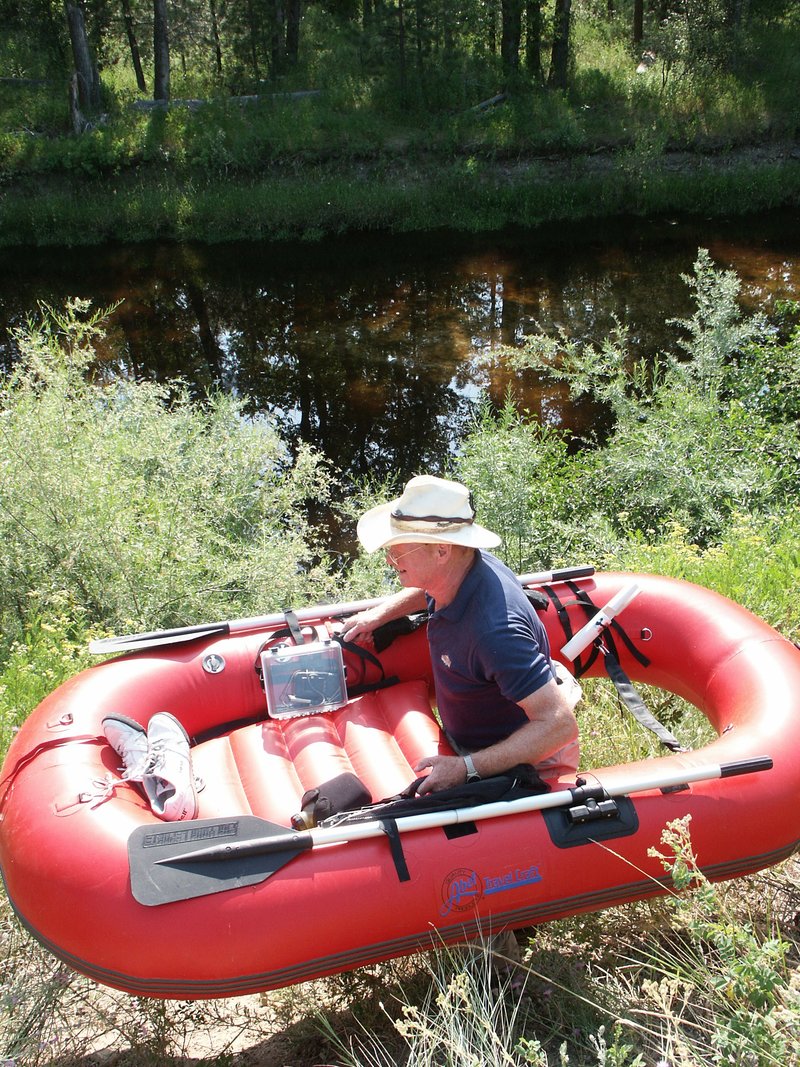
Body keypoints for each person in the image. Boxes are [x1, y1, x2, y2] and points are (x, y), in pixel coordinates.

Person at [343, 475, 581, 796]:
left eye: (398, 552)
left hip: (524, 761)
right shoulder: (457, 569)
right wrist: (379, 615)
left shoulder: (496, 631)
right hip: (476, 740)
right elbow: (426, 587)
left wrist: (465, 768)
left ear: (442, 550)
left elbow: (558, 725)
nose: (389, 560)